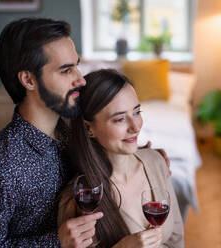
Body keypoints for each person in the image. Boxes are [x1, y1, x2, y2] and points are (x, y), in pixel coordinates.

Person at [0, 18, 103, 247]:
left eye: (77, 65)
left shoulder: (68, 132)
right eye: (66, 70)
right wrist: (56, 242)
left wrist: (139, 158)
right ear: (28, 79)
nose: (81, 79)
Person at [58, 69, 184, 248]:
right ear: (88, 129)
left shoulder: (156, 161)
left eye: (137, 112)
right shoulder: (81, 199)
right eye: (119, 119)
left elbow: (177, 239)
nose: (135, 126)